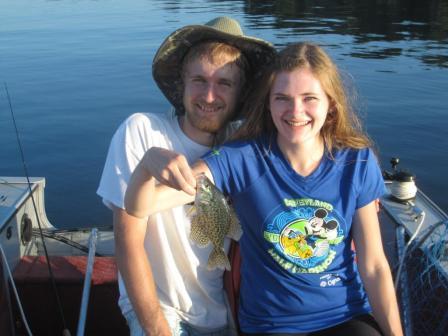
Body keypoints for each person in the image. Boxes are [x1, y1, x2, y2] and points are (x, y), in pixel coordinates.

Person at [125, 42, 404, 335]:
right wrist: (146, 168)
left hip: (345, 316)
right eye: (282, 98)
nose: (295, 111)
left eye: (309, 98)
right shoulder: (240, 158)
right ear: (268, 104)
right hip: (269, 325)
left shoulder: (356, 162)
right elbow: (140, 207)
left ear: (331, 105)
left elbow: (373, 266)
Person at [97, 16, 275, 335]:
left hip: (225, 313)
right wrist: (157, 328)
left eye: (224, 83)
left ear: (241, 92)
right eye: (199, 80)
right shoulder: (142, 132)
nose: (209, 96)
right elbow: (127, 240)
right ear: (182, 83)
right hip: (159, 309)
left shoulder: (243, 149)